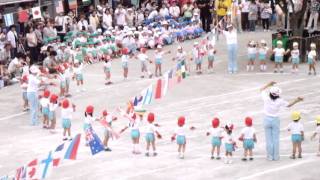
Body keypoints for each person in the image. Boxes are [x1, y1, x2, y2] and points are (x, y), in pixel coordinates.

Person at [260, 81, 303, 161]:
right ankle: (276, 157)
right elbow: (289, 105)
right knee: (275, 139)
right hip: (275, 120)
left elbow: (261, 89)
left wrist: (268, 84)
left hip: (266, 119)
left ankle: (269, 157)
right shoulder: (280, 101)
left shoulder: (266, 98)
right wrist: (297, 100)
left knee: (269, 139)